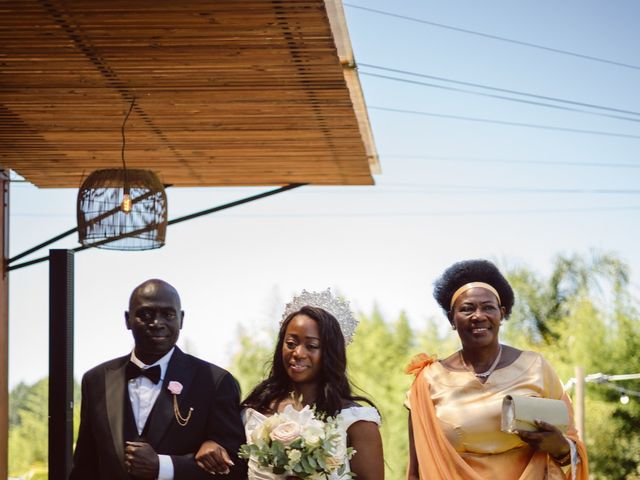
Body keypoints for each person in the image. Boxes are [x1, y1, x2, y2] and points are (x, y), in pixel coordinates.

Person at [406, 260, 589, 480]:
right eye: (467, 309)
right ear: (451, 319)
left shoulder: (536, 368)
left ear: (501, 314)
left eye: (488, 307)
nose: (478, 315)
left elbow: (572, 451)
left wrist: (558, 445)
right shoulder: (429, 380)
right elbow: (417, 470)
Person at [195, 289, 384, 479]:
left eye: (311, 346)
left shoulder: (356, 420)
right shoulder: (254, 411)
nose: (298, 353)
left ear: (329, 352)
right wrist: (211, 444)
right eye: (291, 343)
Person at [69, 279, 247, 480]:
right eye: (146, 314)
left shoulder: (215, 381)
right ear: (128, 319)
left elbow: (236, 467)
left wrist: (164, 467)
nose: (157, 323)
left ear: (181, 319)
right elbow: (85, 465)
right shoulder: (96, 380)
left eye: (168, 314)